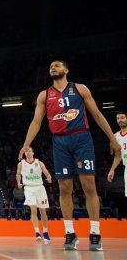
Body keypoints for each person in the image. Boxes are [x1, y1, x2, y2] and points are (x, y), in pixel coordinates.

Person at [18, 60, 121, 251]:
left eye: (57, 65)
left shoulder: (80, 89)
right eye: (51, 66)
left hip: (81, 138)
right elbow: (36, 122)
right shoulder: (44, 95)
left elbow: (97, 114)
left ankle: (95, 233)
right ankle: (70, 233)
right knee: (64, 188)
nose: (53, 68)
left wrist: (112, 140)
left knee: (89, 185)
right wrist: (26, 144)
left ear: (66, 70)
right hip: (60, 142)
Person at [15, 147, 52, 243]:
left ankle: (45, 232)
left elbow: (46, 172)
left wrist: (49, 177)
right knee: (34, 209)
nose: (28, 153)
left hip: (40, 188)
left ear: (33, 153)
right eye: (26, 151)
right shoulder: (21, 164)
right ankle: (37, 232)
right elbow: (18, 174)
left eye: (30, 151)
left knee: (43, 211)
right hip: (29, 188)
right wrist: (18, 182)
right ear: (24, 154)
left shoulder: (39, 163)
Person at [106, 111, 127, 218]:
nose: (120, 120)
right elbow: (118, 156)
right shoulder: (115, 137)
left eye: (122, 117)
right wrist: (112, 169)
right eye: (118, 118)